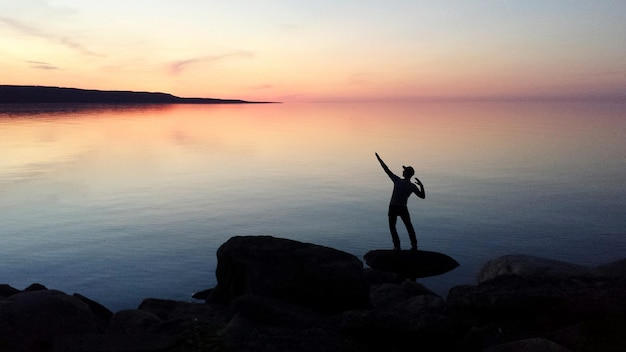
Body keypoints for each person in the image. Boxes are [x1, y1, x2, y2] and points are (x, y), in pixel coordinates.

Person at [375, 152, 425, 251]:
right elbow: (422, 196)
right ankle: (414, 245)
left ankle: (397, 246)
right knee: (409, 226)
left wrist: (379, 159)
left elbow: (386, 170)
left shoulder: (397, 181)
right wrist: (421, 186)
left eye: (404, 170)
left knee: (393, 227)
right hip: (402, 208)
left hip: (393, 207)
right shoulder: (412, 186)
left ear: (406, 173)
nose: (402, 171)